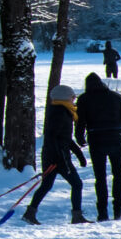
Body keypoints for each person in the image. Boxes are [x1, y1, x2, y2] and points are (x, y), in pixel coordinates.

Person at [23, 85, 89, 224]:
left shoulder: (64, 111)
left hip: (54, 156)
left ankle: (30, 213)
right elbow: (52, 137)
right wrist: (59, 158)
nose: (74, 99)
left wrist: (79, 155)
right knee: (77, 184)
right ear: (65, 98)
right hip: (58, 158)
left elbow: (64, 138)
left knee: (46, 185)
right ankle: (76, 216)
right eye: (72, 97)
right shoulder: (60, 112)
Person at [76, 71, 121, 220]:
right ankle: (118, 210)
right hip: (116, 139)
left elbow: (80, 121)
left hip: (96, 139)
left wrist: (80, 138)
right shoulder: (116, 97)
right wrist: (118, 129)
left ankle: (102, 212)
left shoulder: (84, 99)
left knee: (100, 177)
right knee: (118, 175)